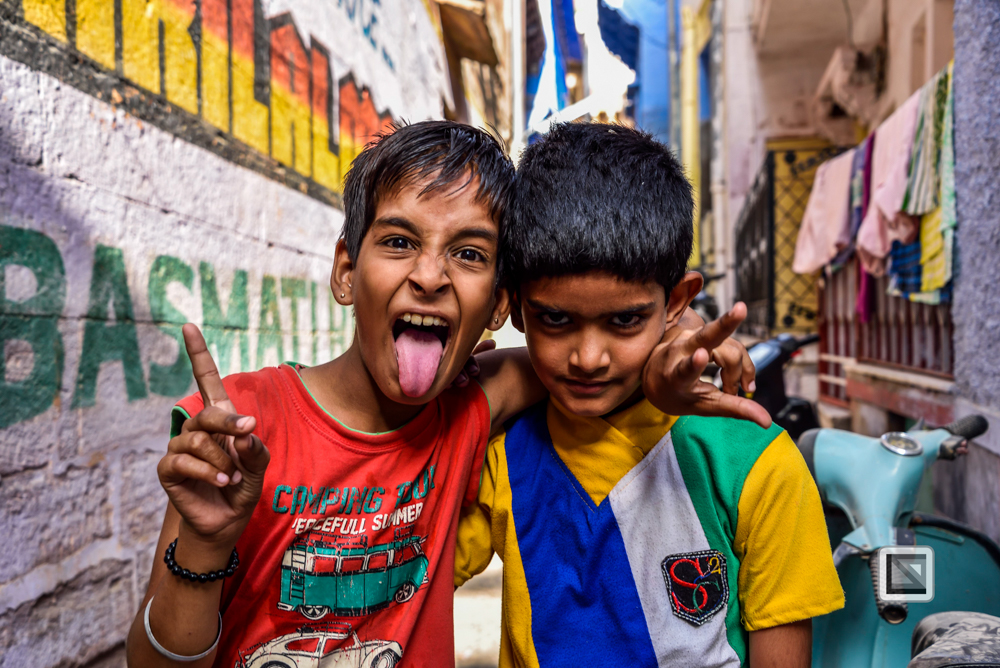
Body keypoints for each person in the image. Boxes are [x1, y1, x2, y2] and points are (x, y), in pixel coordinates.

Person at [125, 120, 765, 668]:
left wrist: (665, 359)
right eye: (399, 242)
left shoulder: (471, 408)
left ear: (499, 304)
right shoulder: (240, 426)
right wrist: (204, 547)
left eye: (468, 253)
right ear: (348, 271)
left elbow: (585, 361)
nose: (429, 276)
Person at [454, 122, 844, 668]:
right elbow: (399, 566)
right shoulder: (502, 455)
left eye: (625, 320)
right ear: (515, 306)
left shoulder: (756, 464)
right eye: (556, 319)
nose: (589, 357)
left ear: (678, 301)